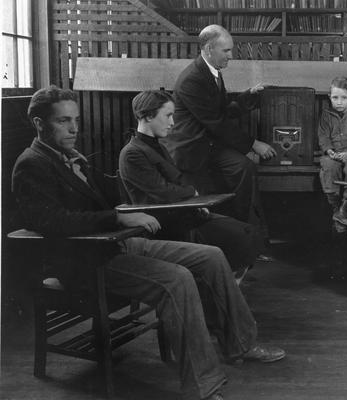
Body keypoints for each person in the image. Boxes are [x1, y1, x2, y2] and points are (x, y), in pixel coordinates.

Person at [12, 86, 285, 400]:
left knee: (211, 256)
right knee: (178, 279)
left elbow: (108, 197)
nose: (74, 128)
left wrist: (94, 179)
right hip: (84, 262)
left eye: (75, 119)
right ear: (39, 123)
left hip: (114, 246)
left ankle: (241, 343)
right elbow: (52, 222)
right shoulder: (31, 163)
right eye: (63, 121)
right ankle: (204, 387)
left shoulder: (67, 158)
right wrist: (117, 218)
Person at [119, 90, 261, 282]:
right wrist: (191, 194)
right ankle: (218, 289)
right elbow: (164, 192)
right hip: (166, 225)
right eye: (168, 116)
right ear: (148, 116)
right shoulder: (132, 153)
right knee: (240, 237)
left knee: (248, 232)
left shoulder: (158, 147)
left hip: (183, 214)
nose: (172, 123)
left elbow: (176, 184)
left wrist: (195, 202)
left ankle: (222, 287)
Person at [162, 24, 276, 225]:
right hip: (191, 151)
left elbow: (221, 112)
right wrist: (254, 144)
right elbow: (217, 123)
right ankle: (237, 234)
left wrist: (249, 95)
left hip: (209, 145)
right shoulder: (192, 79)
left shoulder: (212, 71)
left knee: (244, 167)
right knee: (202, 209)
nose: (231, 55)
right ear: (208, 50)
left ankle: (246, 232)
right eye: (226, 50)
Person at [317, 76, 347, 227]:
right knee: (328, 166)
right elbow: (323, 137)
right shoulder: (326, 116)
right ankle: (335, 207)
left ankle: (345, 206)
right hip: (333, 155)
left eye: (344, 98)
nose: (339, 102)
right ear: (329, 97)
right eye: (335, 97)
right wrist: (329, 151)